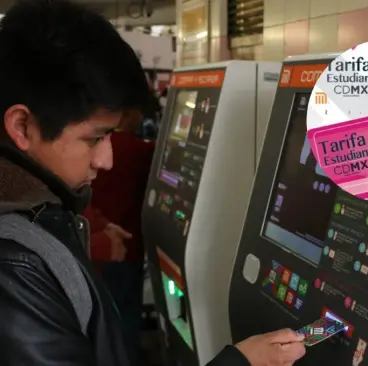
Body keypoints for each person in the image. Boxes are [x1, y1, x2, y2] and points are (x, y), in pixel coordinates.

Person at [0, 1, 306, 365]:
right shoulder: (14, 264)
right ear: (22, 126)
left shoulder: (38, 216)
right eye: (94, 138)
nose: (106, 159)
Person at [83, 108, 155, 366]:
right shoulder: (139, 151)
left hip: (107, 248)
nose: (104, 161)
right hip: (123, 248)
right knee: (123, 320)